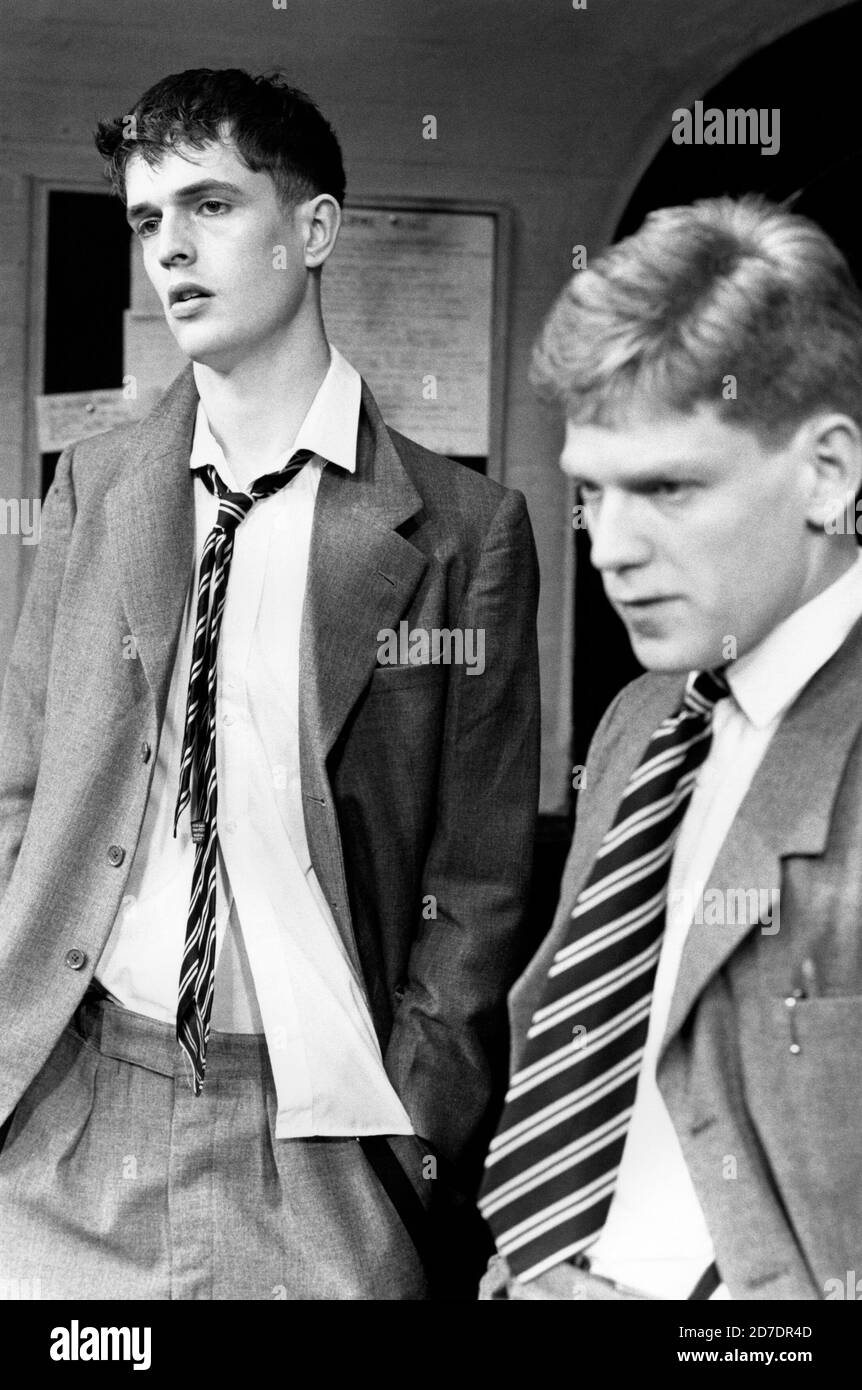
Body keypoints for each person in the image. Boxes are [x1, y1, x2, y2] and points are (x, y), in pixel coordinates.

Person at [0, 67, 540, 1301]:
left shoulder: (465, 530)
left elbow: (480, 882)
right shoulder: (92, 489)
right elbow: (18, 787)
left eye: (210, 206)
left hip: (323, 1142)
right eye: (145, 221)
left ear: (313, 230)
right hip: (68, 1111)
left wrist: (413, 1120)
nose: (170, 249)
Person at [479, 194, 862, 1301]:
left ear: (828, 473)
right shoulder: (642, 721)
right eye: (591, 491)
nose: (610, 547)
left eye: (668, 488)